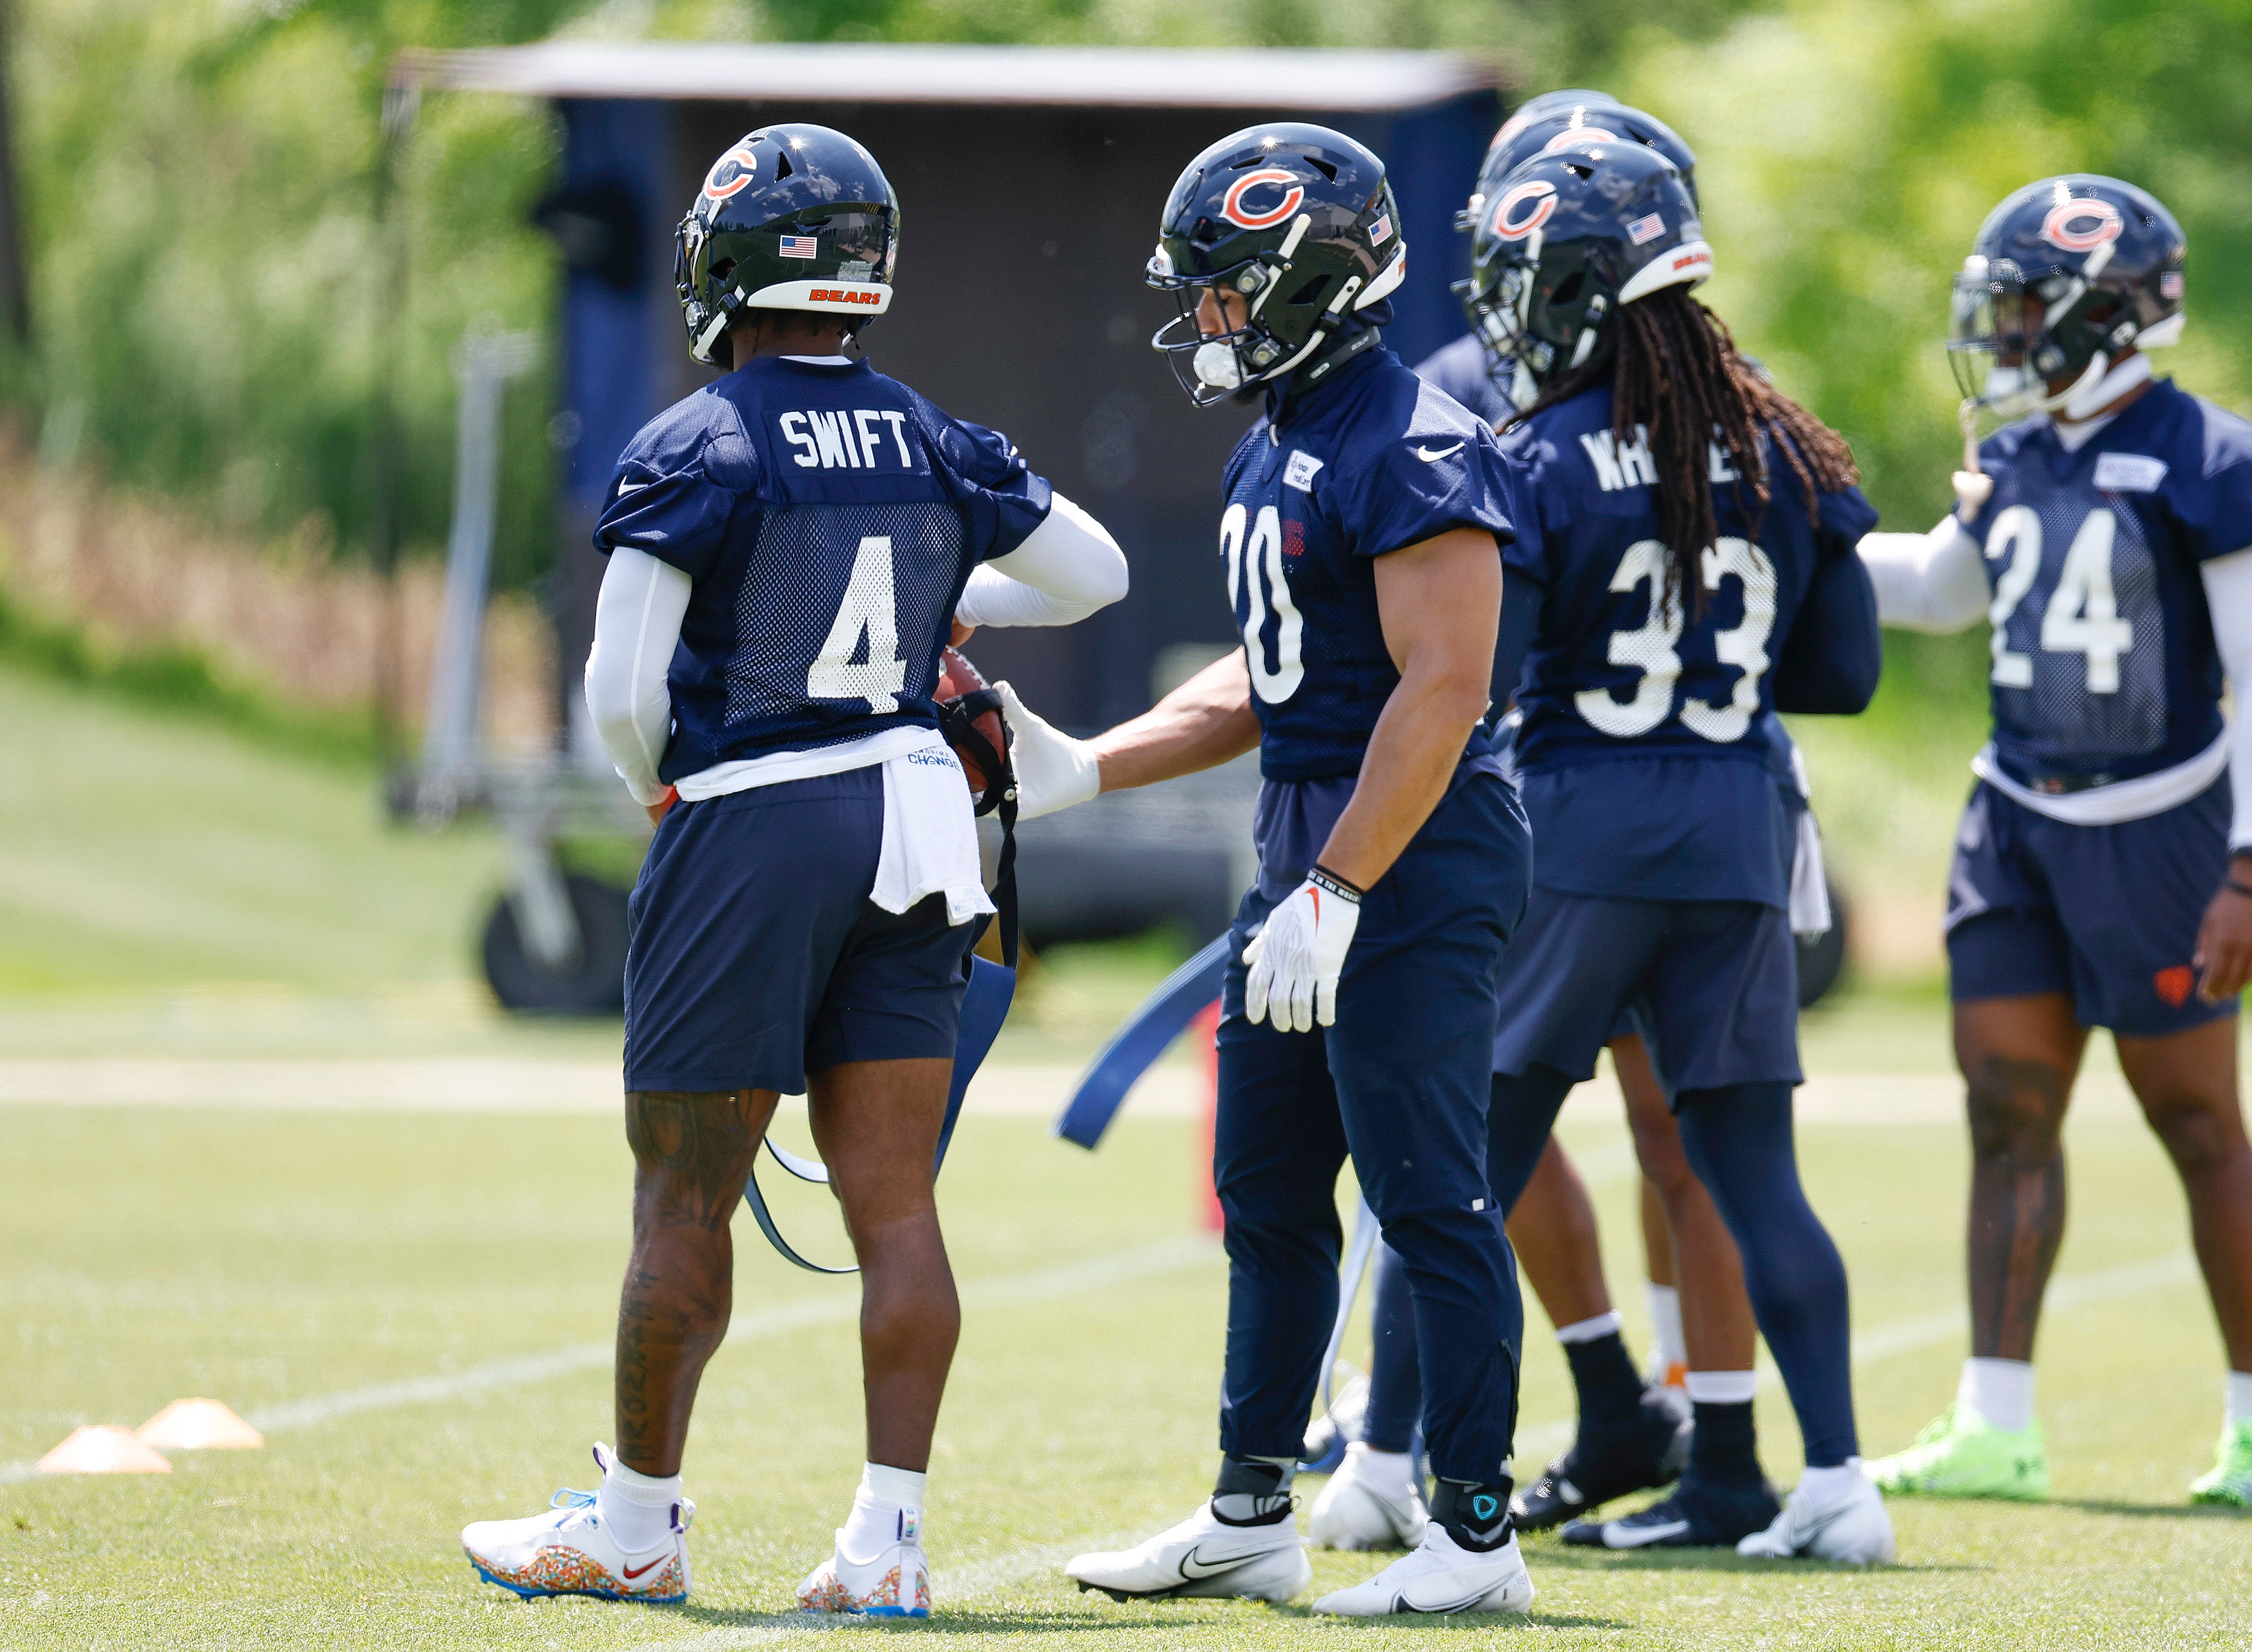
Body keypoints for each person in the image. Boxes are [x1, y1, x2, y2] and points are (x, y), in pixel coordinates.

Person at [456, 124, 1128, 1615]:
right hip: (918, 818)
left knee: (680, 1201)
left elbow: (620, 692)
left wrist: (661, 794)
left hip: (757, 812)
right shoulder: (930, 434)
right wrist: (949, 595)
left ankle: (637, 1524)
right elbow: (1098, 574)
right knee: (896, 1208)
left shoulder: (696, 440)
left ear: (727, 266)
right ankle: (888, 1545)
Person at [999, 122, 1539, 1617]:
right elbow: (1273, 672)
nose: (1208, 317)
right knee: (1270, 1190)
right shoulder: (1279, 436)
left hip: (1409, 853)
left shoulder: (1416, 441)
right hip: (1311, 848)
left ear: (1312, 281)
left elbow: (1444, 688)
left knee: (1427, 1196)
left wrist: (1342, 888)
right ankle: (1250, 1514)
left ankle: (1475, 1534)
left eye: (1229, 288)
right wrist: (1090, 764)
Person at [1454, 137, 1896, 1562]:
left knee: (1464, 1165)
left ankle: (1427, 1485)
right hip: (1737, 825)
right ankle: (1834, 1483)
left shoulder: (1535, 451)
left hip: (1581, 829)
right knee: (1754, 1173)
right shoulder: (1785, 441)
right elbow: (1843, 676)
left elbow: (1488, 679)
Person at [1859, 176, 2252, 1509]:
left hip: (2161, 828)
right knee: (2006, 1111)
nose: (2001, 331)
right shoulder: (2021, 454)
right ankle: (1995, 1424)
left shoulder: (2217, 461)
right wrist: (1792, 534)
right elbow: (1940, 591)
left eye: (2021, 306)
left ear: (2096, 311)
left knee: (2197, 1121)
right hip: (2015, 818)